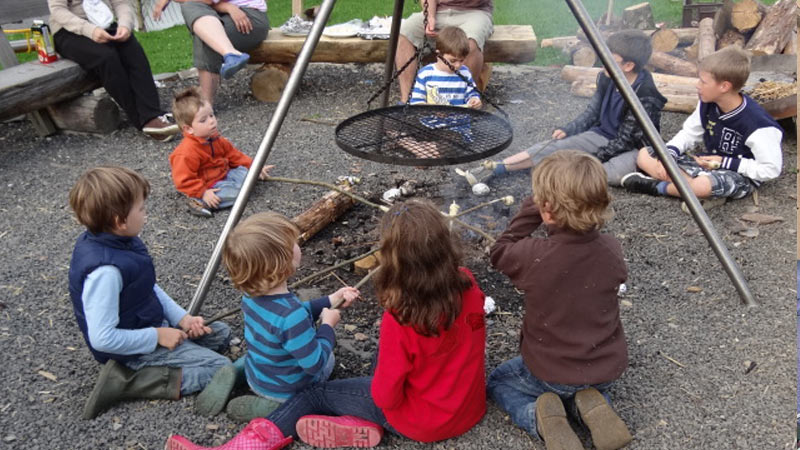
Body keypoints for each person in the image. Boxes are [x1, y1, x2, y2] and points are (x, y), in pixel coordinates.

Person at [167, 199, 487, 449]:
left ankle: (240, 445)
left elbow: (386, 397)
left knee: (313, 394)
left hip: (419, 422)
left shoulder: (401, 317)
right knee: (386, 361)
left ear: (393, 259)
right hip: (468, 409)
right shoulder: (469, 284)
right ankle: (355, 422)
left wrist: (330, 331)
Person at [488, 150, 632, 450]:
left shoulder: (534, 255)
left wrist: (531, 210)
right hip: (604, 369)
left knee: (499, 381)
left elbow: (499, 251)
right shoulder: (612, 249)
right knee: (584, 388)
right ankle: (589, 405)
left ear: (547, 209)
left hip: (549, 372)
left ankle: (537, 418)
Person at [67, 166, 231, 420]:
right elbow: (102, 338)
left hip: (147, 325)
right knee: (221, 369)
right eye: (141, 209)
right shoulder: (106, 271)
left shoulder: (119, 241)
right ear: (119, 221)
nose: (146, 214)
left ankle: (172, 356)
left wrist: (183, 319)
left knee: (221, 334)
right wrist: (158, 336)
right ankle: (127, 382)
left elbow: (147, 287)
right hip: (131, 350)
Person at [191, 212, 360, 423]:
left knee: (267, 347)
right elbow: (314, 363)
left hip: (257, 373)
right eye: (293, 244)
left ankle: (237, 372)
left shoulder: (251, 296)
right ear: (282, 263)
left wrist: (330, 299)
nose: (298, 245)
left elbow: (290, 320)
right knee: (329, 361)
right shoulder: (291, 315)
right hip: (285, 390)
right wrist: (328, 326)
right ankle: (273, 408)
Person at [477, 29, 666, 187]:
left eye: (610, 58)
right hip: (601, 136)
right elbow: (592, 113)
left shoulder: (644, 95)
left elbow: (625, 141)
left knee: (605, 174)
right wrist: (570, 129)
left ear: (629, 65)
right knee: (555, 147)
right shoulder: (606, 77)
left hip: (633, 149)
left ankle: (645, 179)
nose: (603, 61)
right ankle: (499, 166)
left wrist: (589, 159)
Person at [621, 46, 783, 206]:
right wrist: (668, 156)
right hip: (705, 164)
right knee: (645, 154)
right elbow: (689, 133)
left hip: (739, 174)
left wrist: (725, 162)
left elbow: (770, 169)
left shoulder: (758, 125)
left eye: (703, 81)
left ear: (724, 86)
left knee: (703, 185)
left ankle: (658, 187)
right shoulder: (708, 103)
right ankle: (695, 190)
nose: (697, 85)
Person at [48, 0, 180, 141]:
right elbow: (58, 11)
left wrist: (125, 25)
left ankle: (152, 113)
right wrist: (90, 30)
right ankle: (143, 120)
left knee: (133, 51)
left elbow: (121, 3)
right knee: (107, 57)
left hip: (102, 23)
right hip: (68, 31)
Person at [169, 87, 273, 217]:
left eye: (211, 115)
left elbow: (234, 155)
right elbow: (183, 180)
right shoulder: (185, 153)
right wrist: (203, 192)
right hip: (209, 186)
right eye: (203, 120)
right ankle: (199, 201)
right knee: (239, 194)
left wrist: (254, 167)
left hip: (225, 175)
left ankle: (237, 188)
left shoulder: (215, 139)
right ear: (189, 129)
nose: (211, 121)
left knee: (246, 174)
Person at [153, 0, 269, 104]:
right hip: (228, 14)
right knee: (205, 27)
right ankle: (229, 54)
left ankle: (206, 104)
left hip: (249, 18)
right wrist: (228, 7)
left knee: (205, 31)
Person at [396, 0, 493, 103]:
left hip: (474, 12)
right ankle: (408, 102)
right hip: (439, 11)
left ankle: (466, 101)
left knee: (470, 44)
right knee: (405, 32)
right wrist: (430, 16)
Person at [409, 26, 481, 108]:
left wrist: (474, 100)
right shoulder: (425, 73)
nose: (458, 65)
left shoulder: (465, 72)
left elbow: (472, 93)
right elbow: (416, 101)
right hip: (431, 116)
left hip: (459, 116)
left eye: (461, 60)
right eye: (453, 61)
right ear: (439, 55)